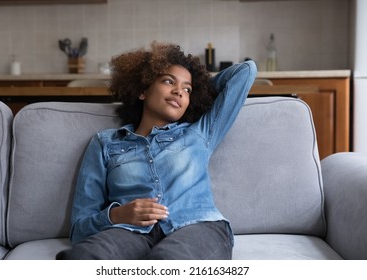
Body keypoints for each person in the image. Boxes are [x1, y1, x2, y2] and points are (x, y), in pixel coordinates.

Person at [56, 42, 256, 260]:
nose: (178, 91)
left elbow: (245, 72)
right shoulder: (105, 143)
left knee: (168, 262)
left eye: (187, 89)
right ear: (143, 90)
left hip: (196, 227)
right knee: (82, 258)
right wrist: (116, 215)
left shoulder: (199, 133)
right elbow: (79, 229)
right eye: (168, 81)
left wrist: (201, 91)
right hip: (129, 231)